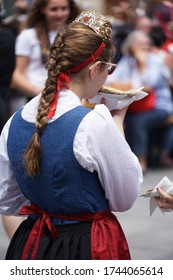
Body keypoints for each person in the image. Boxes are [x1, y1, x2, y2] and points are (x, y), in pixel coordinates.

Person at [0, 9, 143, 260]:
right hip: (87, 244)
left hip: (33, 242)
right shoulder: (93, 122)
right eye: (108, 70)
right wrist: (117, 124)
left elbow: (7, 199)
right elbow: (125, 197)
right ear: (94, 68)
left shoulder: (15, 120)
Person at [106, 30, 173, 173]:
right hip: (136, 106)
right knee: (121, 117)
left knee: (137, 121)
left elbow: (150, 84)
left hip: (159, 106)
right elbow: (111, 80)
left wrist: (142, 64)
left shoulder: (154, 61)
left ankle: (141, 161)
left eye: (146, 44)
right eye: (140, 44)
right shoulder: (128, 61)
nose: (144, 47)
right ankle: (122, 161)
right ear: (130, 46)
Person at [10, 0, 80, 111]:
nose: (60, 14)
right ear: (43, 9)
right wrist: (40, 92)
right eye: (54, 9)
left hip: (67, 99)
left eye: (64, 8)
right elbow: (17, 76)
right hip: (35, 99)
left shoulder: (75, 35)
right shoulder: (28, 36)